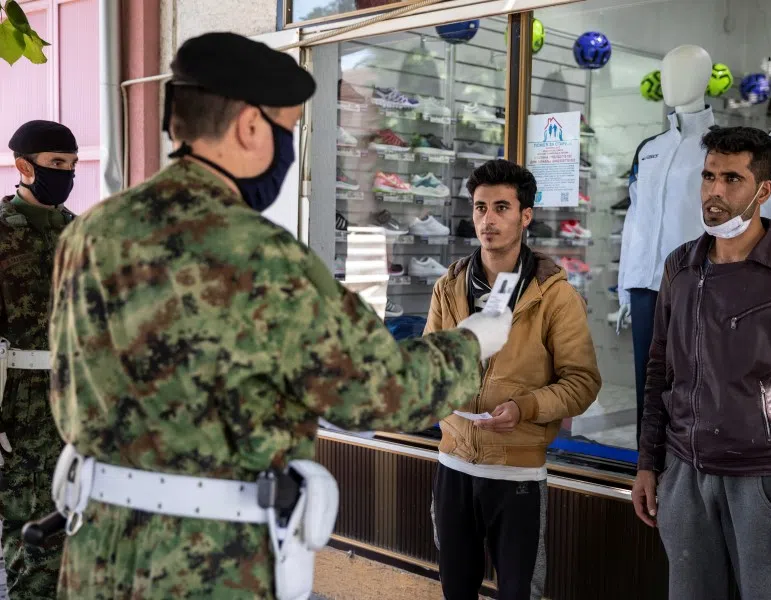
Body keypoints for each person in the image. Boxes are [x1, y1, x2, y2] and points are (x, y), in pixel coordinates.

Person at [46, 32, 511, 599]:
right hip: (207, 562)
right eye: (286, 131)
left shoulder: (89, 232)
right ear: (248, 126)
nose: (288, 150)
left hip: (95, 547)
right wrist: (470, 341)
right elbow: (377, 391)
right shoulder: (258, 253)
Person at [631, 126, 771, 600]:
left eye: (732, 179)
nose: (714, 191)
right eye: (708, 176)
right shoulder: (679, 267)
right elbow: (657, 373)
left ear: (764, 190)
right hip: (684, 474)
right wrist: (649, 463)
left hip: (763, 481)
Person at [426, 159, 601, 600]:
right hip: (454, 462)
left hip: (516, 472)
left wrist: (524, 408)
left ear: (526, 216)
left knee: (518, 594)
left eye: (501, 207)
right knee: (455, 590)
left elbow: (582, 382)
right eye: (481, 208)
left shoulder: (555, 295)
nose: (488, 220)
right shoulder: (449, 286)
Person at [0, 120, 78, 598]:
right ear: (23, 166)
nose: (66, 174)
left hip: (78, 404)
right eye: (55, 165)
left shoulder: (83, 233)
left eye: (70, 165)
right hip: (20, 407)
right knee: (33, 536)